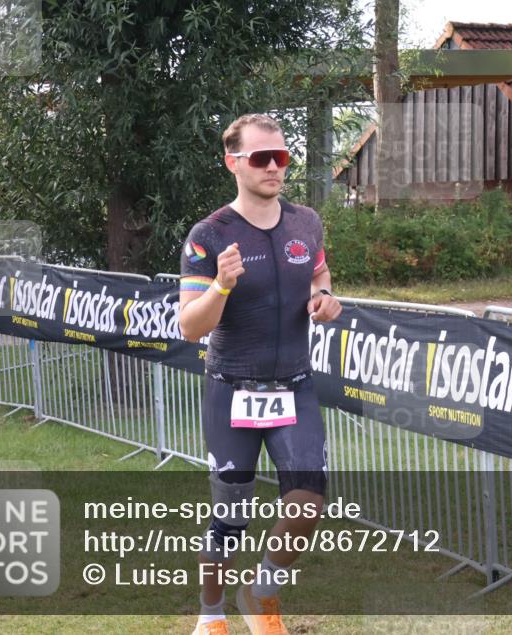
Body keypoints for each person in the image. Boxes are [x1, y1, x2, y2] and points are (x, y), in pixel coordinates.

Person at [178, 113, 342, 635]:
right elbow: (188, 326)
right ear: (233, 163)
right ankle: (210, 616)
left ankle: (261, 591)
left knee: (308, 504)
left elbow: (317, 271)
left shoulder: (306, 222)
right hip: (232, 389)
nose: (274, 167)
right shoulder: (210, 234)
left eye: (282, 157)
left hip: (294, 386)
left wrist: (323, 298)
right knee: (230, 516)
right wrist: (220, 287)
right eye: (260, 158)